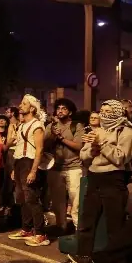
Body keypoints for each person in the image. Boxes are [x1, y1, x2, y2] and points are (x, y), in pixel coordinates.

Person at [58, 100, 132, 263]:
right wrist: (93, 150)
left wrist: (102, 143)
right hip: (94, 177)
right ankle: (83, 256)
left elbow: (120, 157)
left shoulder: (126, 132)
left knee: (114, 223)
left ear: (118, 112)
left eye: (108, 111)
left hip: (114, 179)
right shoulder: (97, 130)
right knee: (87, 220)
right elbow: (84, 155)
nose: (104, 114)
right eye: (102, 110)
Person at [7, 95, 51, 247]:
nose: (20, 105)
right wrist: (14, 169)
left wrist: (33, 171)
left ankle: (40, 234)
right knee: (21, 198)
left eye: (24, 104)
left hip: (29, 162)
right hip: (20, 162)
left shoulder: (37, 125)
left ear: (32, 108)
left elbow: (39, 149)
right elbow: (18, 148)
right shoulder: (21, 125)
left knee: (31, 198)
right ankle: (27, 229)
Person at [44, 98, 84, 233]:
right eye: (58, 108)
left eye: (64, 109)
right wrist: (52, 134)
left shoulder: (77, 126)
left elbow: (79, 146)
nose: (60, 111)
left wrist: (61, 138)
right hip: (55, 168)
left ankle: (79, 230)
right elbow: (44, 145)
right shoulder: (51, 126)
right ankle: (61, 226)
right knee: (57, 201)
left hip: (74, 167)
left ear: (70, 112)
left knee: (76, 201)